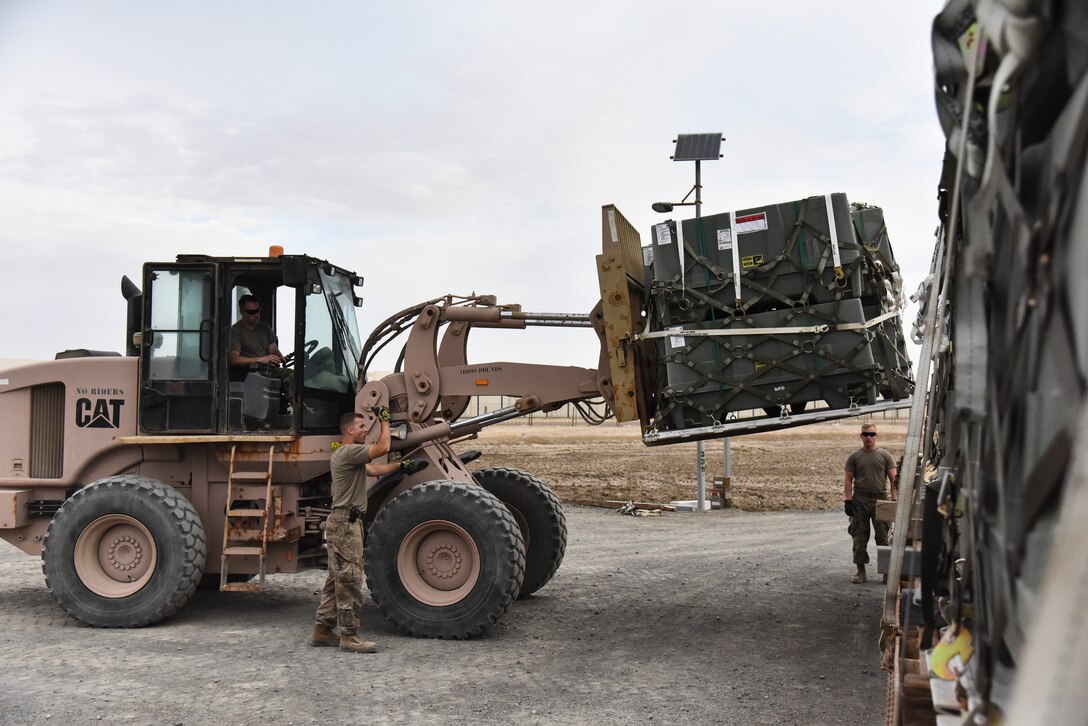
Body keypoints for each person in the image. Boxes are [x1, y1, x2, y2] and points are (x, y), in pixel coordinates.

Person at [311, 406, 424, 653]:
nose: (366, 431)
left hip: (344, 522)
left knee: (335, 579)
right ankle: (349, 636)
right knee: (350, 579)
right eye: (362, 427)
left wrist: (401, 467)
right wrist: (385, 420)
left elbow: (373, 469)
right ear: (350, 430)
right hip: (345, 523)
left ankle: (322, 630)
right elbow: (382, 448)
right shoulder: (349, 451)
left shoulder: (348, 455)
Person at [843, 422, 898, 584]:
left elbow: (893, 479)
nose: (869, 437)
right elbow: (848, 479)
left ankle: (887, 572)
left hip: (880, 499)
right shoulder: (854, 456)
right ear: (861, 436)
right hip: (860, 499)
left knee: (883, 537)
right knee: (859, 537)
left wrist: (893, 500)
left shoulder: (885, 456)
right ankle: (861, 572)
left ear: (876, 436)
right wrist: (848, 501)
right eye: (865, 434)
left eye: (872, 434)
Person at [228, 294, 292, 399]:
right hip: (249, 372)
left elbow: (273, 350)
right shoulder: (236, 331)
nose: (256, 314)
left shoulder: (264, 328)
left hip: (268, 369)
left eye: (258, 310)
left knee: (299, 377)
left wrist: (280, 358)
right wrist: (260, 360)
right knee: (291, 377)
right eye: (252, 312)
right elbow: (234, 359)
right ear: (242, 312)